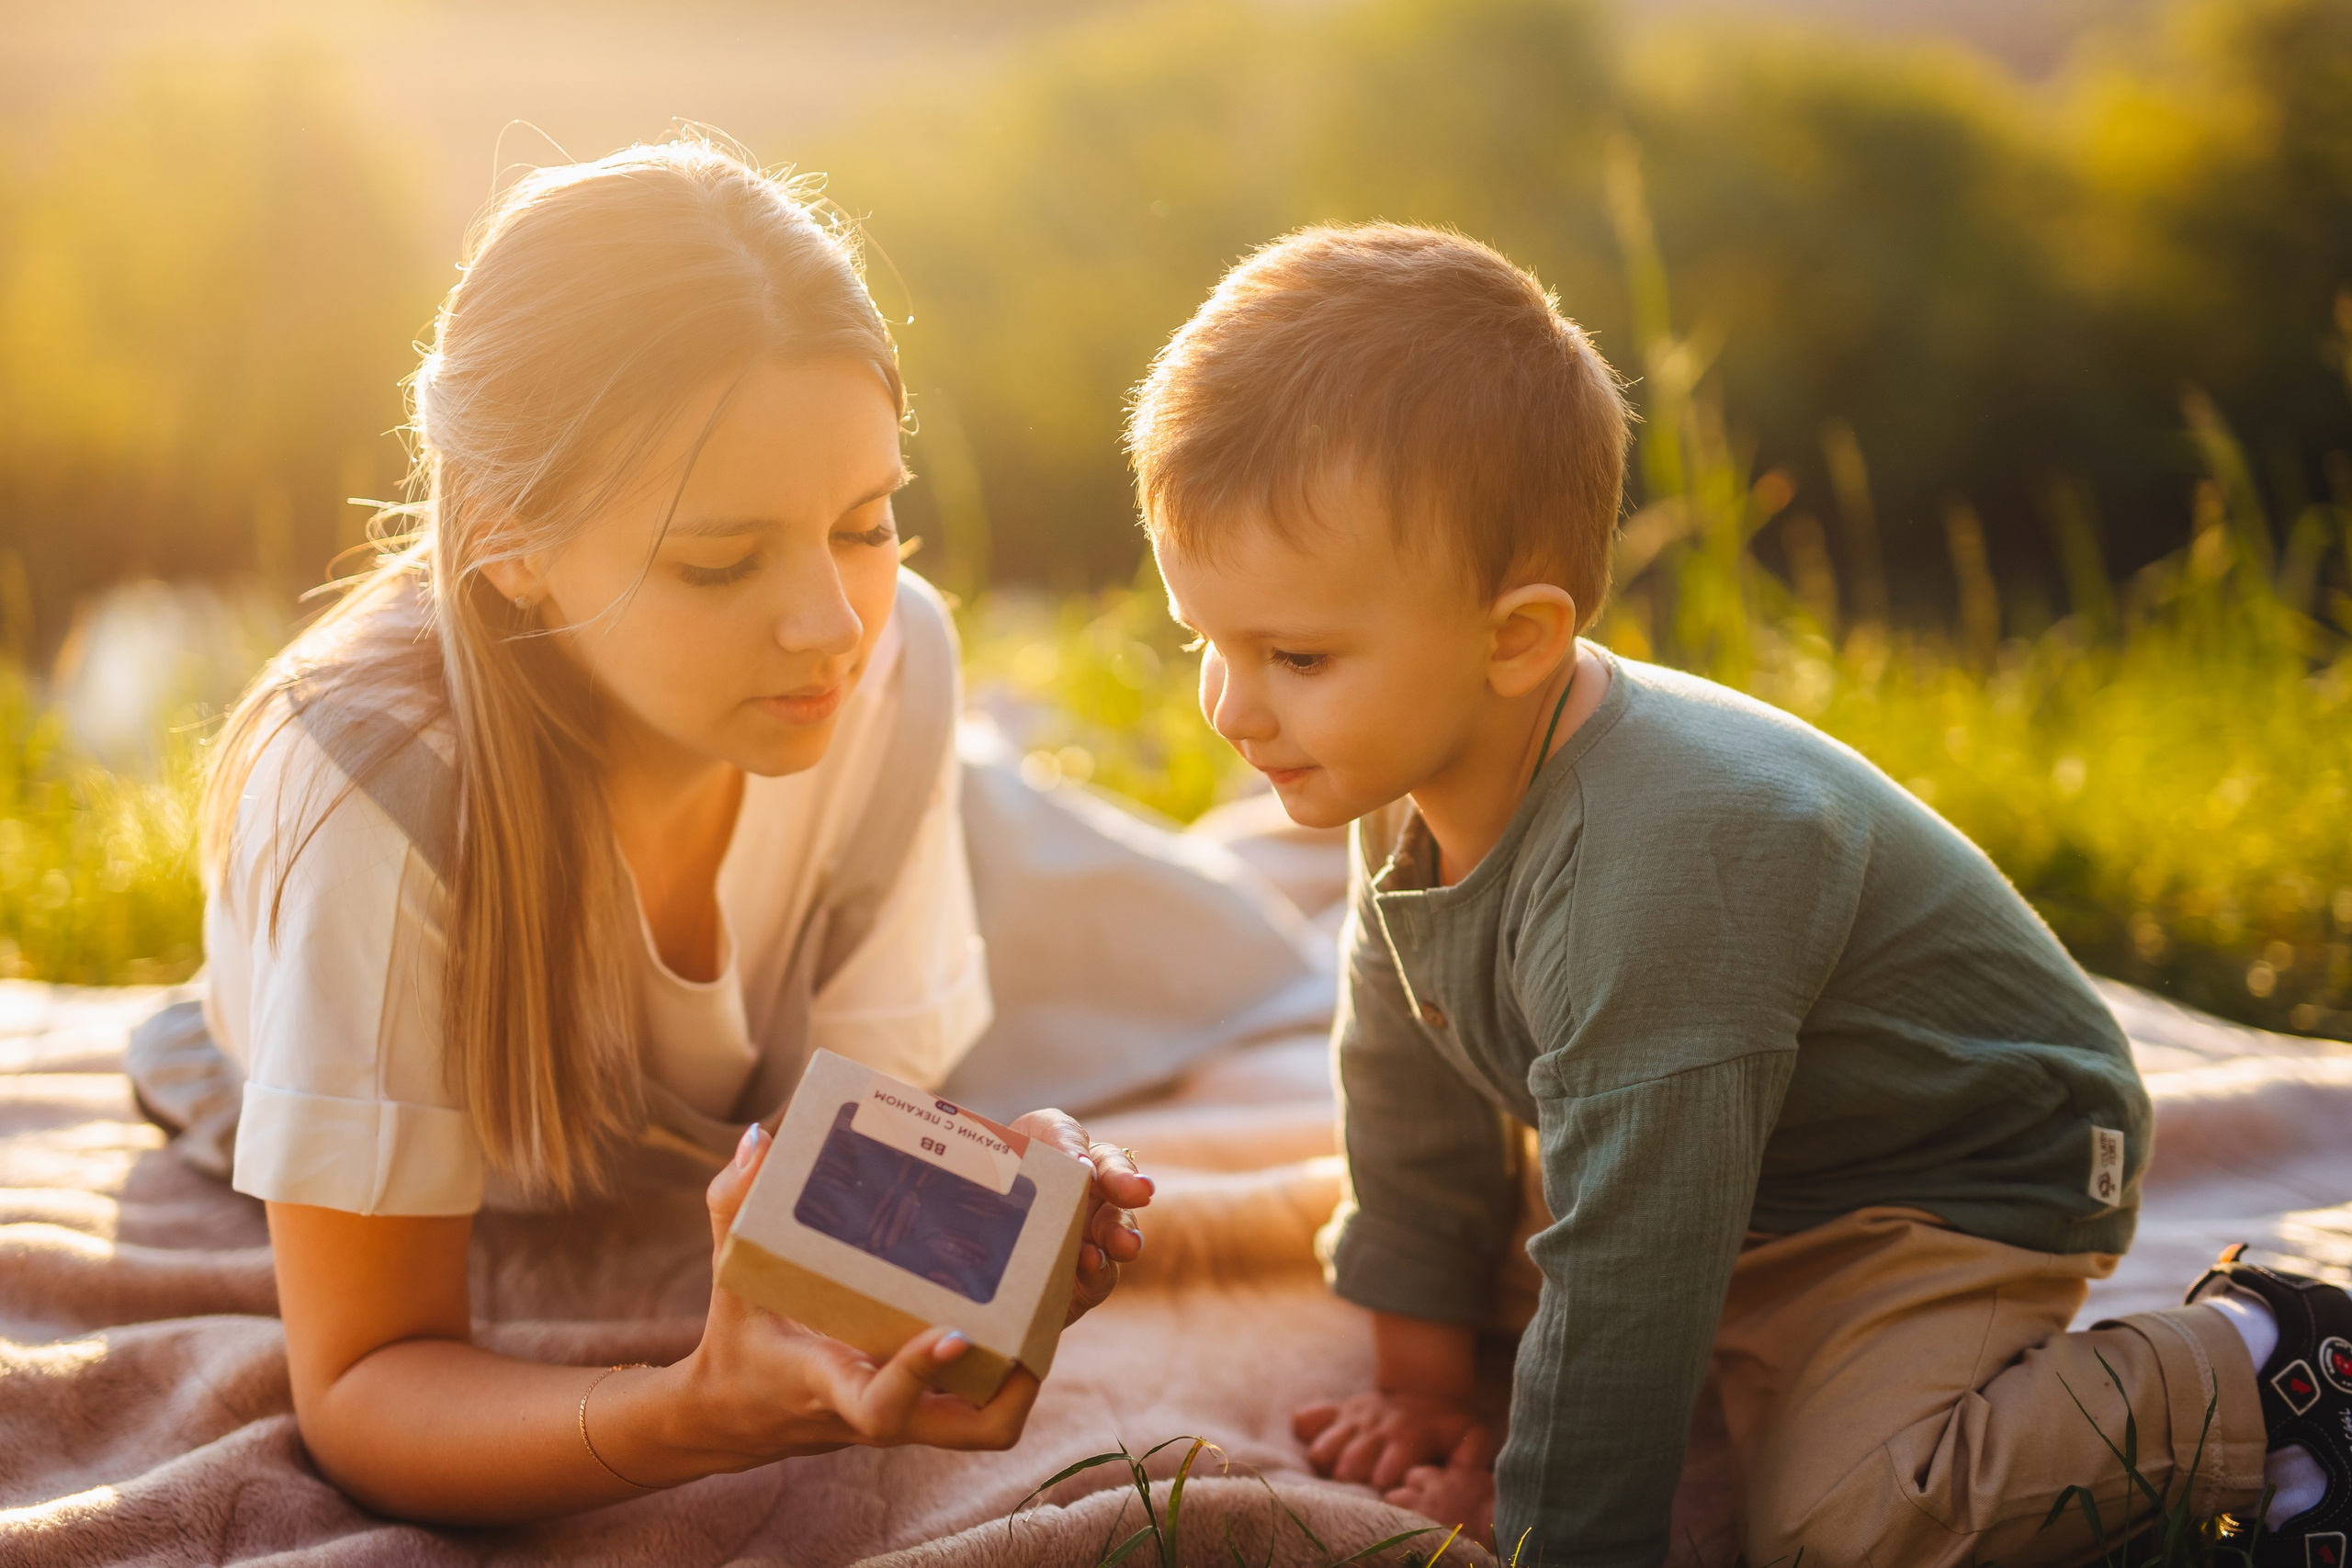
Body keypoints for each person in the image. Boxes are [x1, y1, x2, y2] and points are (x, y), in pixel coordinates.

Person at [1129, 221, 2352, 1567]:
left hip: (1931, 1184)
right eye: (1209, 642)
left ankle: (2256, 1365)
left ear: (1519, 638)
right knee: (1421, 1244)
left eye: (1296, 655)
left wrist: (1546, 1538)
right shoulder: (1405, 769)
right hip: (1716, 1136)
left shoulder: (1658, 878)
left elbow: (1628, 1285)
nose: (1232, 709)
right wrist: (1421, 1393)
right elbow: (1407, 1092)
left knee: (1847, 1523)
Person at [189, 139, 1150, 1525]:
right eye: (720, 560)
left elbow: (856, 1151)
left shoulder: (891, 665)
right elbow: (361, 1386)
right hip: (344, 974)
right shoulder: (373, 803)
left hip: (830, 896)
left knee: (1178, 951)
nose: (834, 626)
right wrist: (691, 1415)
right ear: (512, 538)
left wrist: (999, 1210)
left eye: (870, 523)